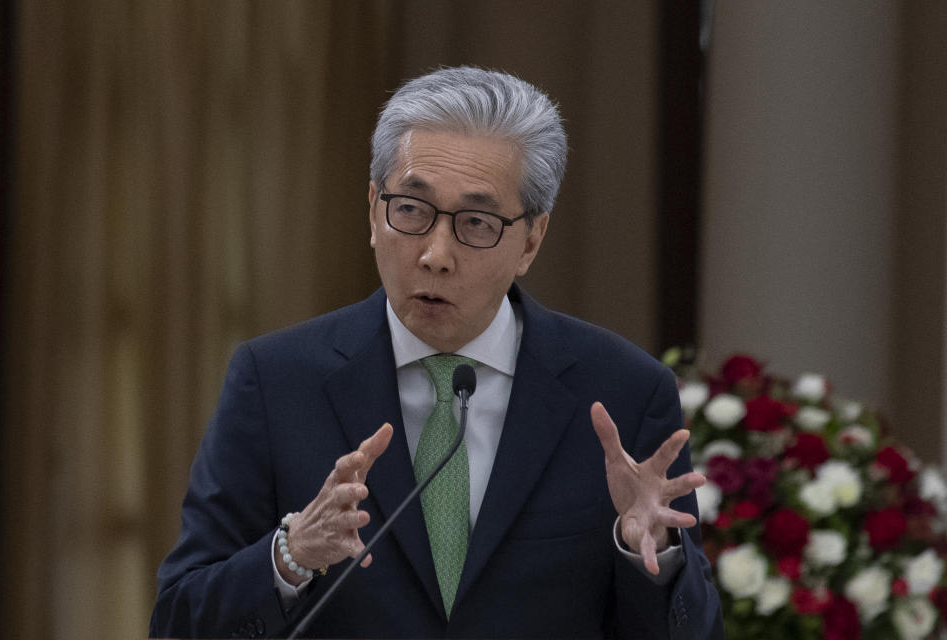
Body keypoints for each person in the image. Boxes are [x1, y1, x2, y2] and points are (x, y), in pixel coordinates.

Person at [150, 66, 724, 639]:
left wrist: (652, 552)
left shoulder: (624, 392)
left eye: (476, 222)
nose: (435, 254)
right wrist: (292, 554)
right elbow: (179, 621)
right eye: (410, 210)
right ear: (374, 210)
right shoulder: (276, 383)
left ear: (531, 239)